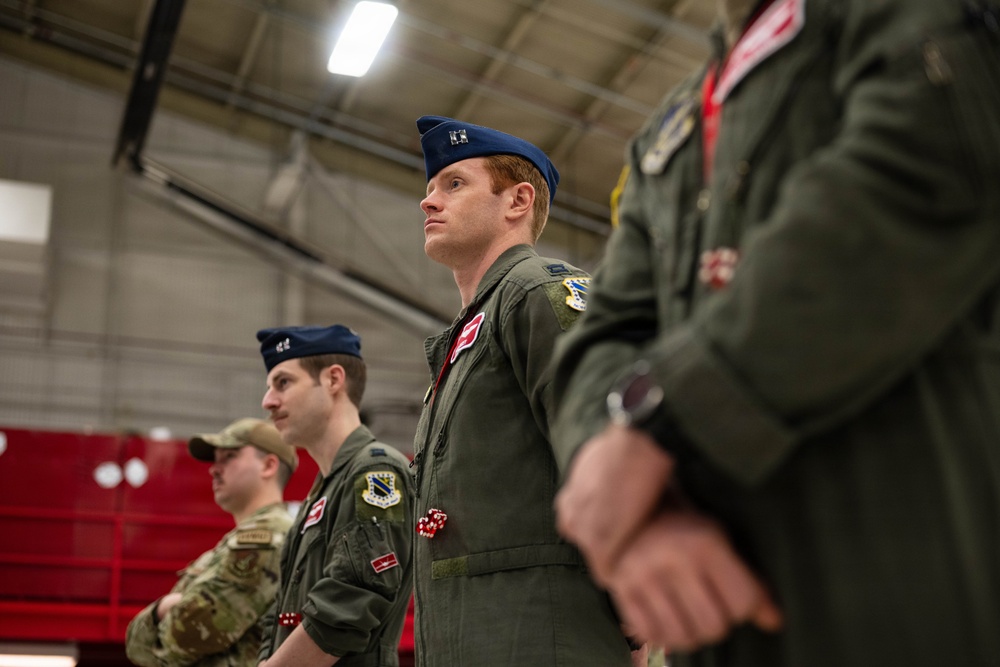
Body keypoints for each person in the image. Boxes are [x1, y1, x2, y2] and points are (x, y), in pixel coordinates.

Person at [550, 0, 1000, 666]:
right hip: (720, 615)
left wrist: (663, 427)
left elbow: (914, 181)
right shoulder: (667, 135)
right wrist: (624, 501)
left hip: (913, 586)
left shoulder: (900, 15)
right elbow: (604, 331)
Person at [411, 115, 639, 666]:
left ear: (517, 201)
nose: (428, 201)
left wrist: (634, 622)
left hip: (544, 638)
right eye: (430, 189)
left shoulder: (538, 291)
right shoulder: (471, 332)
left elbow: (612, 439)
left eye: (454, 183)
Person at [256, 324, 413, 667]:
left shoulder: (375, 472)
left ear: (333, 380)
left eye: (283, 382)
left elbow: (354, 599)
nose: (268, 401)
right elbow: (282, 612)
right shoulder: (324, 490)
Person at [125, 418, 297, 667]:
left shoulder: (266, 539)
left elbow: (186, 635)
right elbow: (136, 645)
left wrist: (162, 610)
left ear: (268, 466)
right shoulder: (237, 541)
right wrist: (163, 608)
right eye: (216, 459)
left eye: (229, 457)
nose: (214, 469)